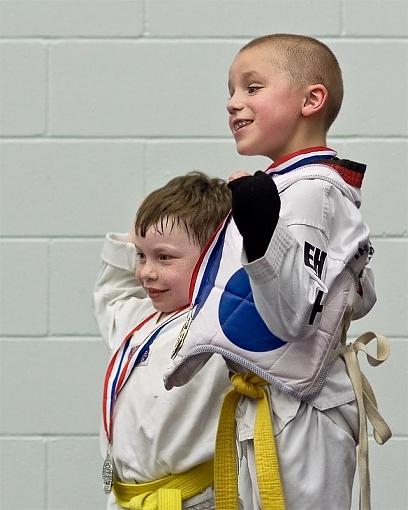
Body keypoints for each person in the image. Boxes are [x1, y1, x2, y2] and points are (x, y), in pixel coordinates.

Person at [164, 34, 391, 510]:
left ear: (312, 99)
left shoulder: (309, 191)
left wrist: (266, 234)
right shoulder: (290, 186)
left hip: (301, 409)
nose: (233, 103)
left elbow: (291, 318)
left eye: (252, 87)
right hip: (273, 401)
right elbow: (360, 293)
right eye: (230, 91)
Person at [93, 171, 232, 510]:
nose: (145, 272)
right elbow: (111, 293)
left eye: (164, 257)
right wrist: (132, 237)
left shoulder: (223, 325)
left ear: (215, 256)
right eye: (141, 256)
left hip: (193, 500)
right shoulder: (138, 319)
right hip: (125, 499)